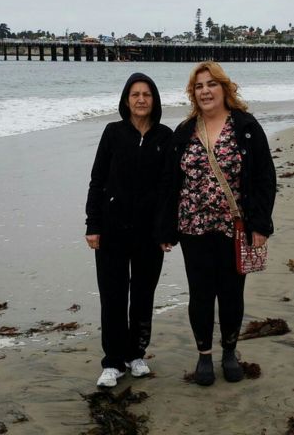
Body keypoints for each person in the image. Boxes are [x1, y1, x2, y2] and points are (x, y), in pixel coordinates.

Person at [156, 61, 276, 386]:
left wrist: (261, 225)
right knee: (200, 294)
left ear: (224, 88)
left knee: (231, 293)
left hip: (233, 226)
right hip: (192, 227)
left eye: (211, 84)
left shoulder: (246, 126)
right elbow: (169, 183)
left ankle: (229, 352)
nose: (205, 91)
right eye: (199, 86)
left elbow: (265, 177)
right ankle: (204, 355)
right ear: (192, 93)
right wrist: (165, 228)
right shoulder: (184, 131)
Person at [85, 73, 172, 388]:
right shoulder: (113, 133)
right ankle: (112, 362)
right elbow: (97, 180)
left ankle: (136, 355)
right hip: (112, 231)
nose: (141, 99)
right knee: (113, 297)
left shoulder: (165, 137)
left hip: (149, 234)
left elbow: (169, 189)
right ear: (126, 100)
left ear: (154, 100)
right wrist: (93, 224)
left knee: (143, 296)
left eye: (146, 94)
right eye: (135, 94)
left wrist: (166, 231)